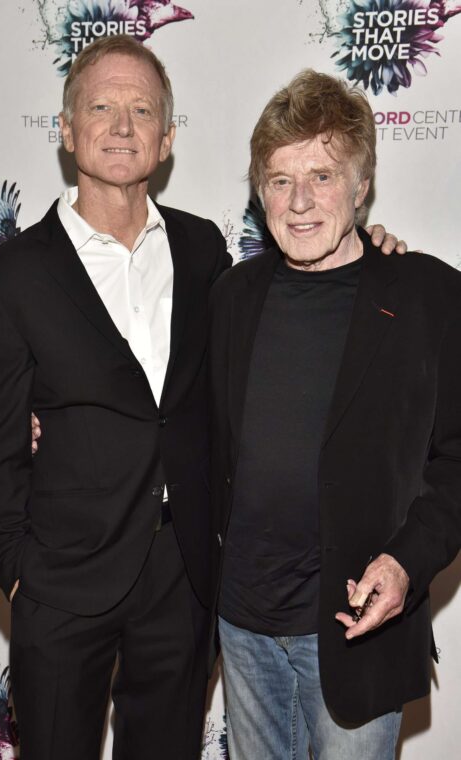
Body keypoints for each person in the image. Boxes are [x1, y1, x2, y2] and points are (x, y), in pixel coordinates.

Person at [0, 35, 403, 760]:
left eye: (142, 109)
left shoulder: (206, 255)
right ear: (67, 129)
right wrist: (19, 574)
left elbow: (304, 299)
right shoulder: (7, 280)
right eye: (100, 106)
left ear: (167, 140)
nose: (121, 125)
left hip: (185, 579)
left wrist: (374, 247)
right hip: (62, 582)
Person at [209, 70, 461, 760]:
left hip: (357, 626)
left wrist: (408, 564)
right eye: (279, 180)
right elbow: (178, 423)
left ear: (360, 186)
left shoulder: (427, 296)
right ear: (258, 191)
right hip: (241, 627)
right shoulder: (231, 296)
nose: (298, 203)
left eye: (321, 176)